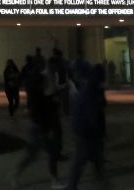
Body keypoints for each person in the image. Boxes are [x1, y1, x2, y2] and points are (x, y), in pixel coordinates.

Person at [11, 58, 64, 189]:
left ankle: (16, 175)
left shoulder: (38, 94)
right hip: (39, 130)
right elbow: (40, 113)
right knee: (48, 153)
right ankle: (54, 181)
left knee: (32, 155)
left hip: (38, 129)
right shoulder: (38, 96)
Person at [68, 63, 107, 190]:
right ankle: (72, 186)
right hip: (86, 132)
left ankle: (72, 186)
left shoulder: (91, 88)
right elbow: (92, 115)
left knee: (88, 160)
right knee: (85, 160)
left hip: (84, 130)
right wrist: (97, 131)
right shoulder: (91, 90)